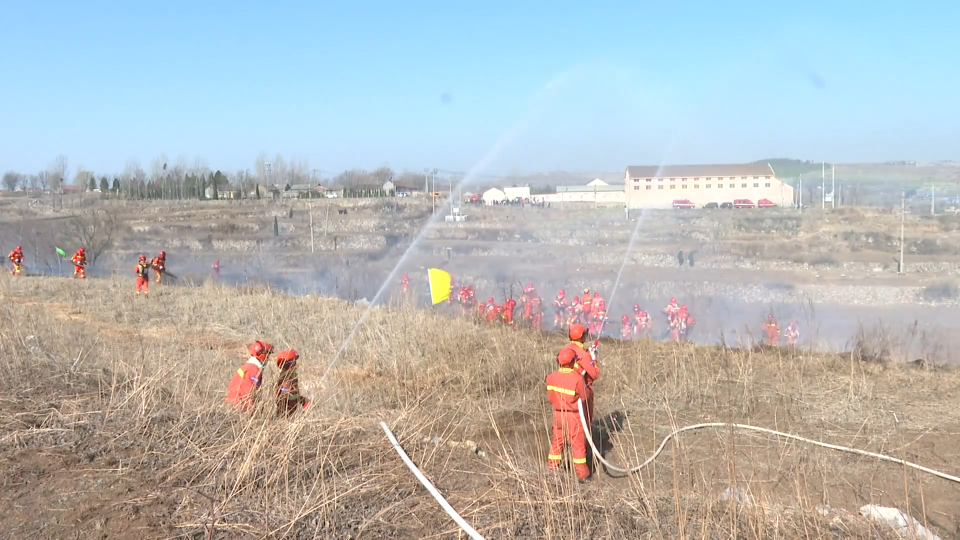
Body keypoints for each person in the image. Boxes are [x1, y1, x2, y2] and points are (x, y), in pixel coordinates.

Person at [546, 347, 591, 482]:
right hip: (573, 417)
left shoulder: (551, 377)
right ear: (572, 362)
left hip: (558, 415)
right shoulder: (577, 379)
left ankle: (551, 469)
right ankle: (582, 476)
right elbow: (584, 397)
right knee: (578, 446)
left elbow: (550, 398)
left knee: (557, 443)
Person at [561, 324, 599, 431]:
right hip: (581, 389)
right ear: (582, 337)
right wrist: (594, 359)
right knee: (584, 418)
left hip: (564, 387)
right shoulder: (584, 355)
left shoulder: (565, 350)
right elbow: (594, 374)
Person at [225, 341, 274, 412]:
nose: (268, 358)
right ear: (263, 355)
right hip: (239, 407)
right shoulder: (253, 370)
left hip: (234, 404)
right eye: (268, 355)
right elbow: (248, 393)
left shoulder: (248, 366)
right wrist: (252, 411)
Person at [275, 349, 309, 416]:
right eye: (293, 362)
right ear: (288, 364)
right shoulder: (285, 379)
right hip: (288, 414)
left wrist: (302, 400)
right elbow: (282, 400)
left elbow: (293, 394)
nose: (295, 364)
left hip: (293, 411)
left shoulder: (292, 377)